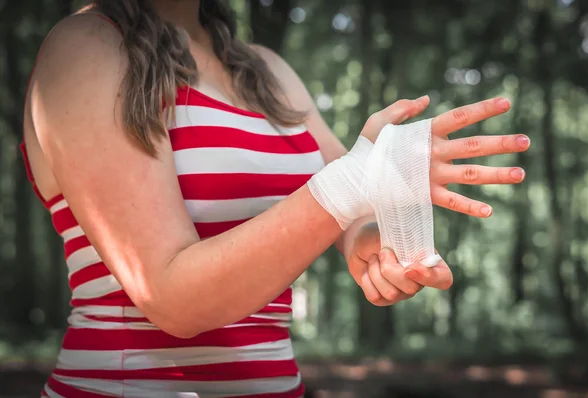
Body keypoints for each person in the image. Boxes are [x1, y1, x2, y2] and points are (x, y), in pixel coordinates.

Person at [22, 0, 530, 396]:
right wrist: (354, 185)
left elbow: (347, 199)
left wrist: (377, 244)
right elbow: (171, 298)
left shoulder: (266, 69)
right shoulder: (85, 48)